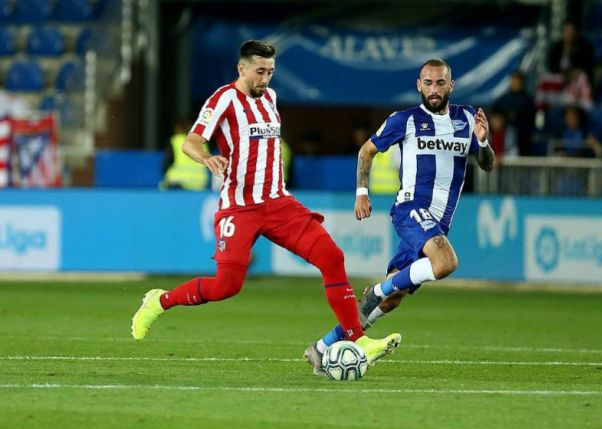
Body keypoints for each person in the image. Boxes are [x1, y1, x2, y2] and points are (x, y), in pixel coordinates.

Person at [130, 40, 401, 371]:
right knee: (226, 286)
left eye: (271, 72)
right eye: (260, 72)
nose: (266, 79)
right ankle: (160, 300)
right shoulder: (223, 99)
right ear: (242, 69)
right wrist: (208, 158)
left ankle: (358, 341)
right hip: (240, 207)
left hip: (279, 203)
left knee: (332, 257)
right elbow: (191, 141)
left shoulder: (271, 98)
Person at [304, 59, 495, 371]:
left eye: (440, 83)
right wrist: (362, 192)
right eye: (428, 83)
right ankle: (377, 289)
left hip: (438, 221)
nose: (434, 89)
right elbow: (366, 150)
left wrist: (484, 141)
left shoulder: (467, 118)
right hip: (410, 209)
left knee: (393, 297)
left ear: (451, 85)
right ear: (419, 86)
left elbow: (487, 164)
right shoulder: (404, 120)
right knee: (445, 264)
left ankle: (322, 346)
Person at [492, 71, 536, 156]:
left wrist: (515, 117)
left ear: (523, 83)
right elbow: (495, 114)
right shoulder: (504, 99)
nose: (515, 83)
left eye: (518, 81)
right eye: (513, 81)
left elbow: (530, 120)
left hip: (522, 140)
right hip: (502, 139)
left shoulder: (527, 101)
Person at [160, 119, 210, 191]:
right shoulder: (202, 142)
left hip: (177, 182)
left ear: (178, 128)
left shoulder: (175, 140)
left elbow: (167, 162)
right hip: (199, 183)